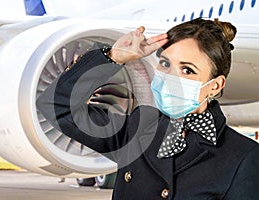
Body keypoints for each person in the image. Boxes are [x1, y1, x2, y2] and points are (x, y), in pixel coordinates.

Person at [36, 18, 259, 200]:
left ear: (215, 85)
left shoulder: (244, 157)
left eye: (187, 71)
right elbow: (57, 106)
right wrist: (113, 57)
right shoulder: (138, 127)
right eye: (165, 64)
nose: (170, 76)